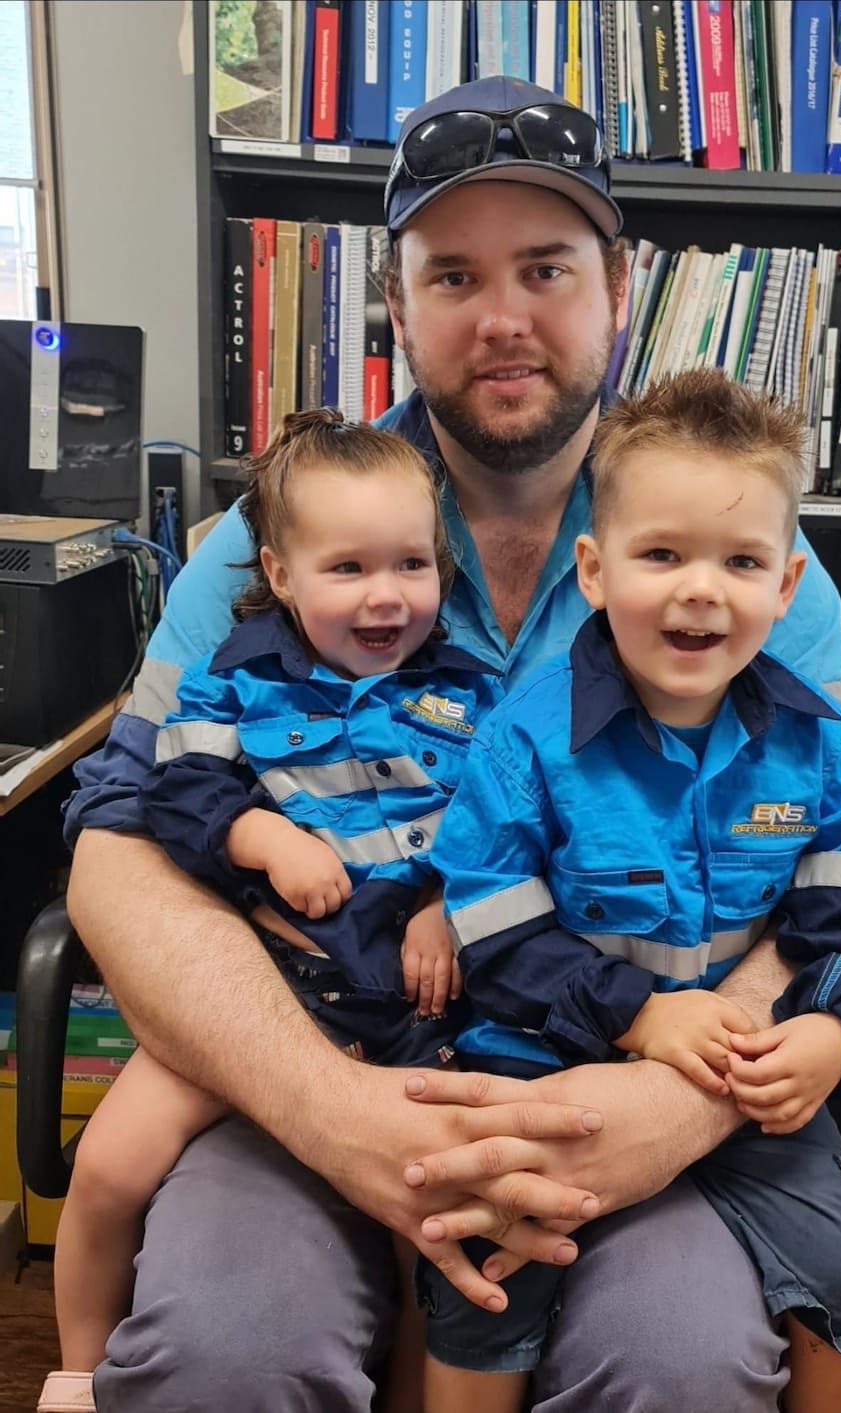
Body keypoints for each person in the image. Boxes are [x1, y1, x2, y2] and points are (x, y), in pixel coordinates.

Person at [63, 74, 841, 1412]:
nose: (501, 318)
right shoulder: (280, 531)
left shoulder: (740, 553)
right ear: (398, 307)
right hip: (324, 1049)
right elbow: (114, 850)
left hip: (624, 1075)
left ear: (620, 286)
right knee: (224, 1350)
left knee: (678, 1365)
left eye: (546, 268)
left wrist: (680, 1104)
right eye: (451, 277)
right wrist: (334, 1109)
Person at [422, 370, 841, 1413]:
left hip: (755, 1089)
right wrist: (639, 1017)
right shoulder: (523, 739)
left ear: (785, 588)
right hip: (544, 1068)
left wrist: (832, 1032)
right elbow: (491, 923)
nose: (702, 589)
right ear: (596, 571)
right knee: (483, 1283)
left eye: (739, 561)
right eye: (662, 555)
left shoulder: (825, 745)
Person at [41, 410, 513, 1413]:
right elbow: (176, 796)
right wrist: (266, 840)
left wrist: (444, 908)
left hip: (407, 1013)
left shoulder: (472, 692)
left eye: (412, 565)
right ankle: (79, 1372)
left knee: (431, 1234)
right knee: (112, 1167)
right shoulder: (236, 678)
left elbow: (508, 824)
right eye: (347, 569)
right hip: (266, 999)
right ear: (282, 574)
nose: (387, 597)